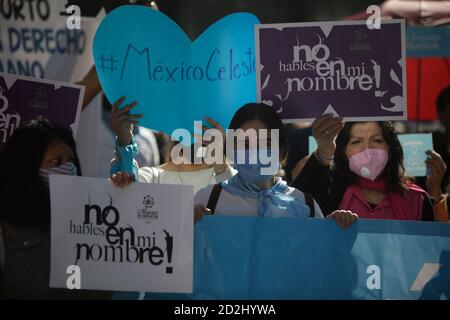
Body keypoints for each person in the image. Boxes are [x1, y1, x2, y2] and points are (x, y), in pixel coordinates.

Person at [194, 103, 358, 229]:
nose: (254, 152)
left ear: (282, 153)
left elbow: (318, 259)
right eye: (245, 144)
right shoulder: (207, 200)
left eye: (265, 144)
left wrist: (335, 229)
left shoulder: (305, 204)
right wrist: (189, 225)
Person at [0, 117, 108, 299]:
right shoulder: (5, 235)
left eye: (71, 160)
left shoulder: (92, 223)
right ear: (27, 168)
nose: (69, 168)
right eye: (56, 161)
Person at [292, 115, 436, 221]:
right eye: (356, 142)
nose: (367, 150)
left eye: (377, 140)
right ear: (344, 152)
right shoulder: (330, 189)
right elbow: (295, 207)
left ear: (391, 149)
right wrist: (324, 151)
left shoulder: (417, 200)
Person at [108, 98, 236, 194]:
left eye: (205, 128)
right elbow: (127, 195)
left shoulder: (233, 178)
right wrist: (125, 140)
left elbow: (236, 201)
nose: (198, 134)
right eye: (190, 127)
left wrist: (221, 164)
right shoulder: (153, 178)